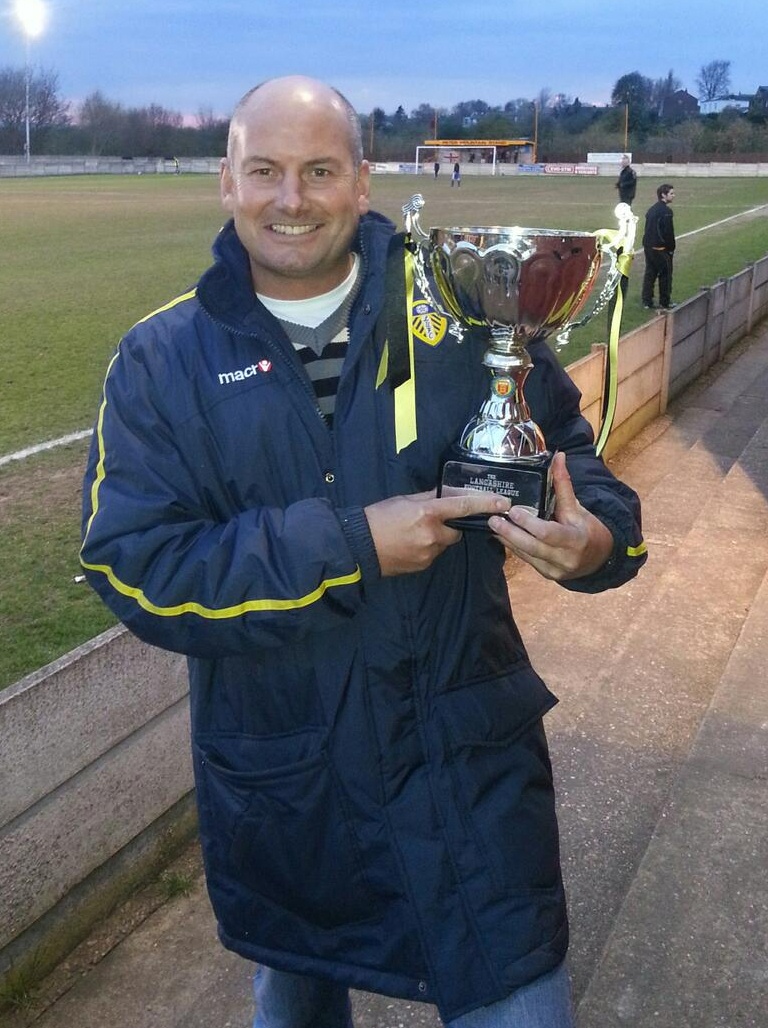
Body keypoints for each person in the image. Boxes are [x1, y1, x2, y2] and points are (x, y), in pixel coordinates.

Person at [80, 76, 647, 1028]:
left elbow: (587, 476)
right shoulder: (159, 361)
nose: (290, 199)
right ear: (227, 180)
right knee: (298, 997)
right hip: (288, 803)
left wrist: (593, 544)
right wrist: (351, 547)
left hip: (471, 783)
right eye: (264, 170)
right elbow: (133, 564)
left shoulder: (467, 321)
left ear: (363, 180)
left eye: (319, 170)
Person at [642, 183, 676, 311]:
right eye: (671, 193)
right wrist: (671, 248)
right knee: (665, 275)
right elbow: (668, 232)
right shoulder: (666, 212)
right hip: (660, 248)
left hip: (648, 246)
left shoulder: (651, 209)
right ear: (663, 195)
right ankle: (665, 302)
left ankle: (647, 301)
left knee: (650, 273)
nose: (673, 196)